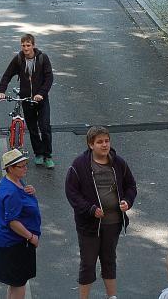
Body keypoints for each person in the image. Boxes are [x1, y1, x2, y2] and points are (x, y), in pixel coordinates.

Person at [65, 126, 137, 299]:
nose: (104, 145)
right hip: (89, 226)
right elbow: (71, 193)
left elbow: (131, 186)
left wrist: (127, 201)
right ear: (91, 145)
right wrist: (90, 209)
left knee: (109, 261)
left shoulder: (119, 163)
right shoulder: (79, 165)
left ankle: (111, 297)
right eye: (99, 142)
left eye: (106, 141)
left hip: (113, 224)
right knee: (88, 264)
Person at [0, 34, 54, 167]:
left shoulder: (42, 58)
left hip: (41, 99)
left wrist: (41, 93)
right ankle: (39, 154)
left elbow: (49, 78)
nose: (25, 48)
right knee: (33, 128)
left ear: (33, 45)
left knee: (45, 127)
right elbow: (7, 75)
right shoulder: (18, 59)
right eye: (23, 45)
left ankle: (48, 155)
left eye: (28, 45)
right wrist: (1, 91)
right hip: (27, 99)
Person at [0, 149, 40, 299]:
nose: (26, 168)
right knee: (20, 284)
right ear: (10, 169)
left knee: (14, 282)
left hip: (12, 242)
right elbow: (13, 222)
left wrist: (31, 192)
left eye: (25, 165)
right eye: (21, 166)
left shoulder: (15, 181)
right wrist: (31, 237)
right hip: (15, 243)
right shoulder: (11, 191)